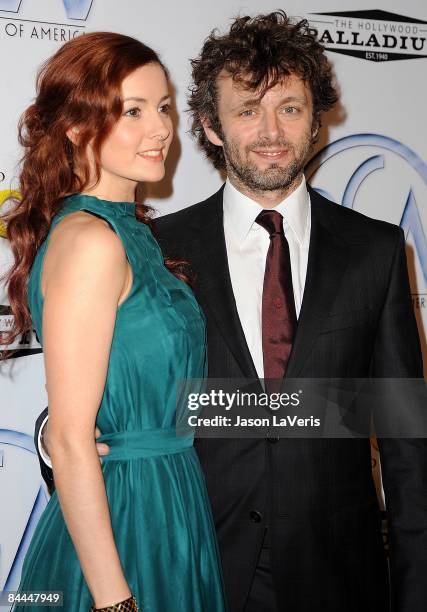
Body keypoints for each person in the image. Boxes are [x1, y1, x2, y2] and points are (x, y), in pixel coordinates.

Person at [36, 12, 426, 612]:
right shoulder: (151, 246)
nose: (270, 130)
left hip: (340, 576)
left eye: (290, 108)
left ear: (316, 121)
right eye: (247, 109)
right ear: (211, 127)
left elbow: (404, 438)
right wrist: (55, 437)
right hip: (193, 556)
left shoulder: (375, 250)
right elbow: (110, 389)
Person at [2, 32, 226, 612]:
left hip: (168, 501)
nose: (160, 129)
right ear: (77, 128)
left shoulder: (131, 233)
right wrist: (114, 603)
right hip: (123, 521)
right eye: (132, 111)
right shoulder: (90, 241)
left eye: (163, 107)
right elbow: (74, 440)